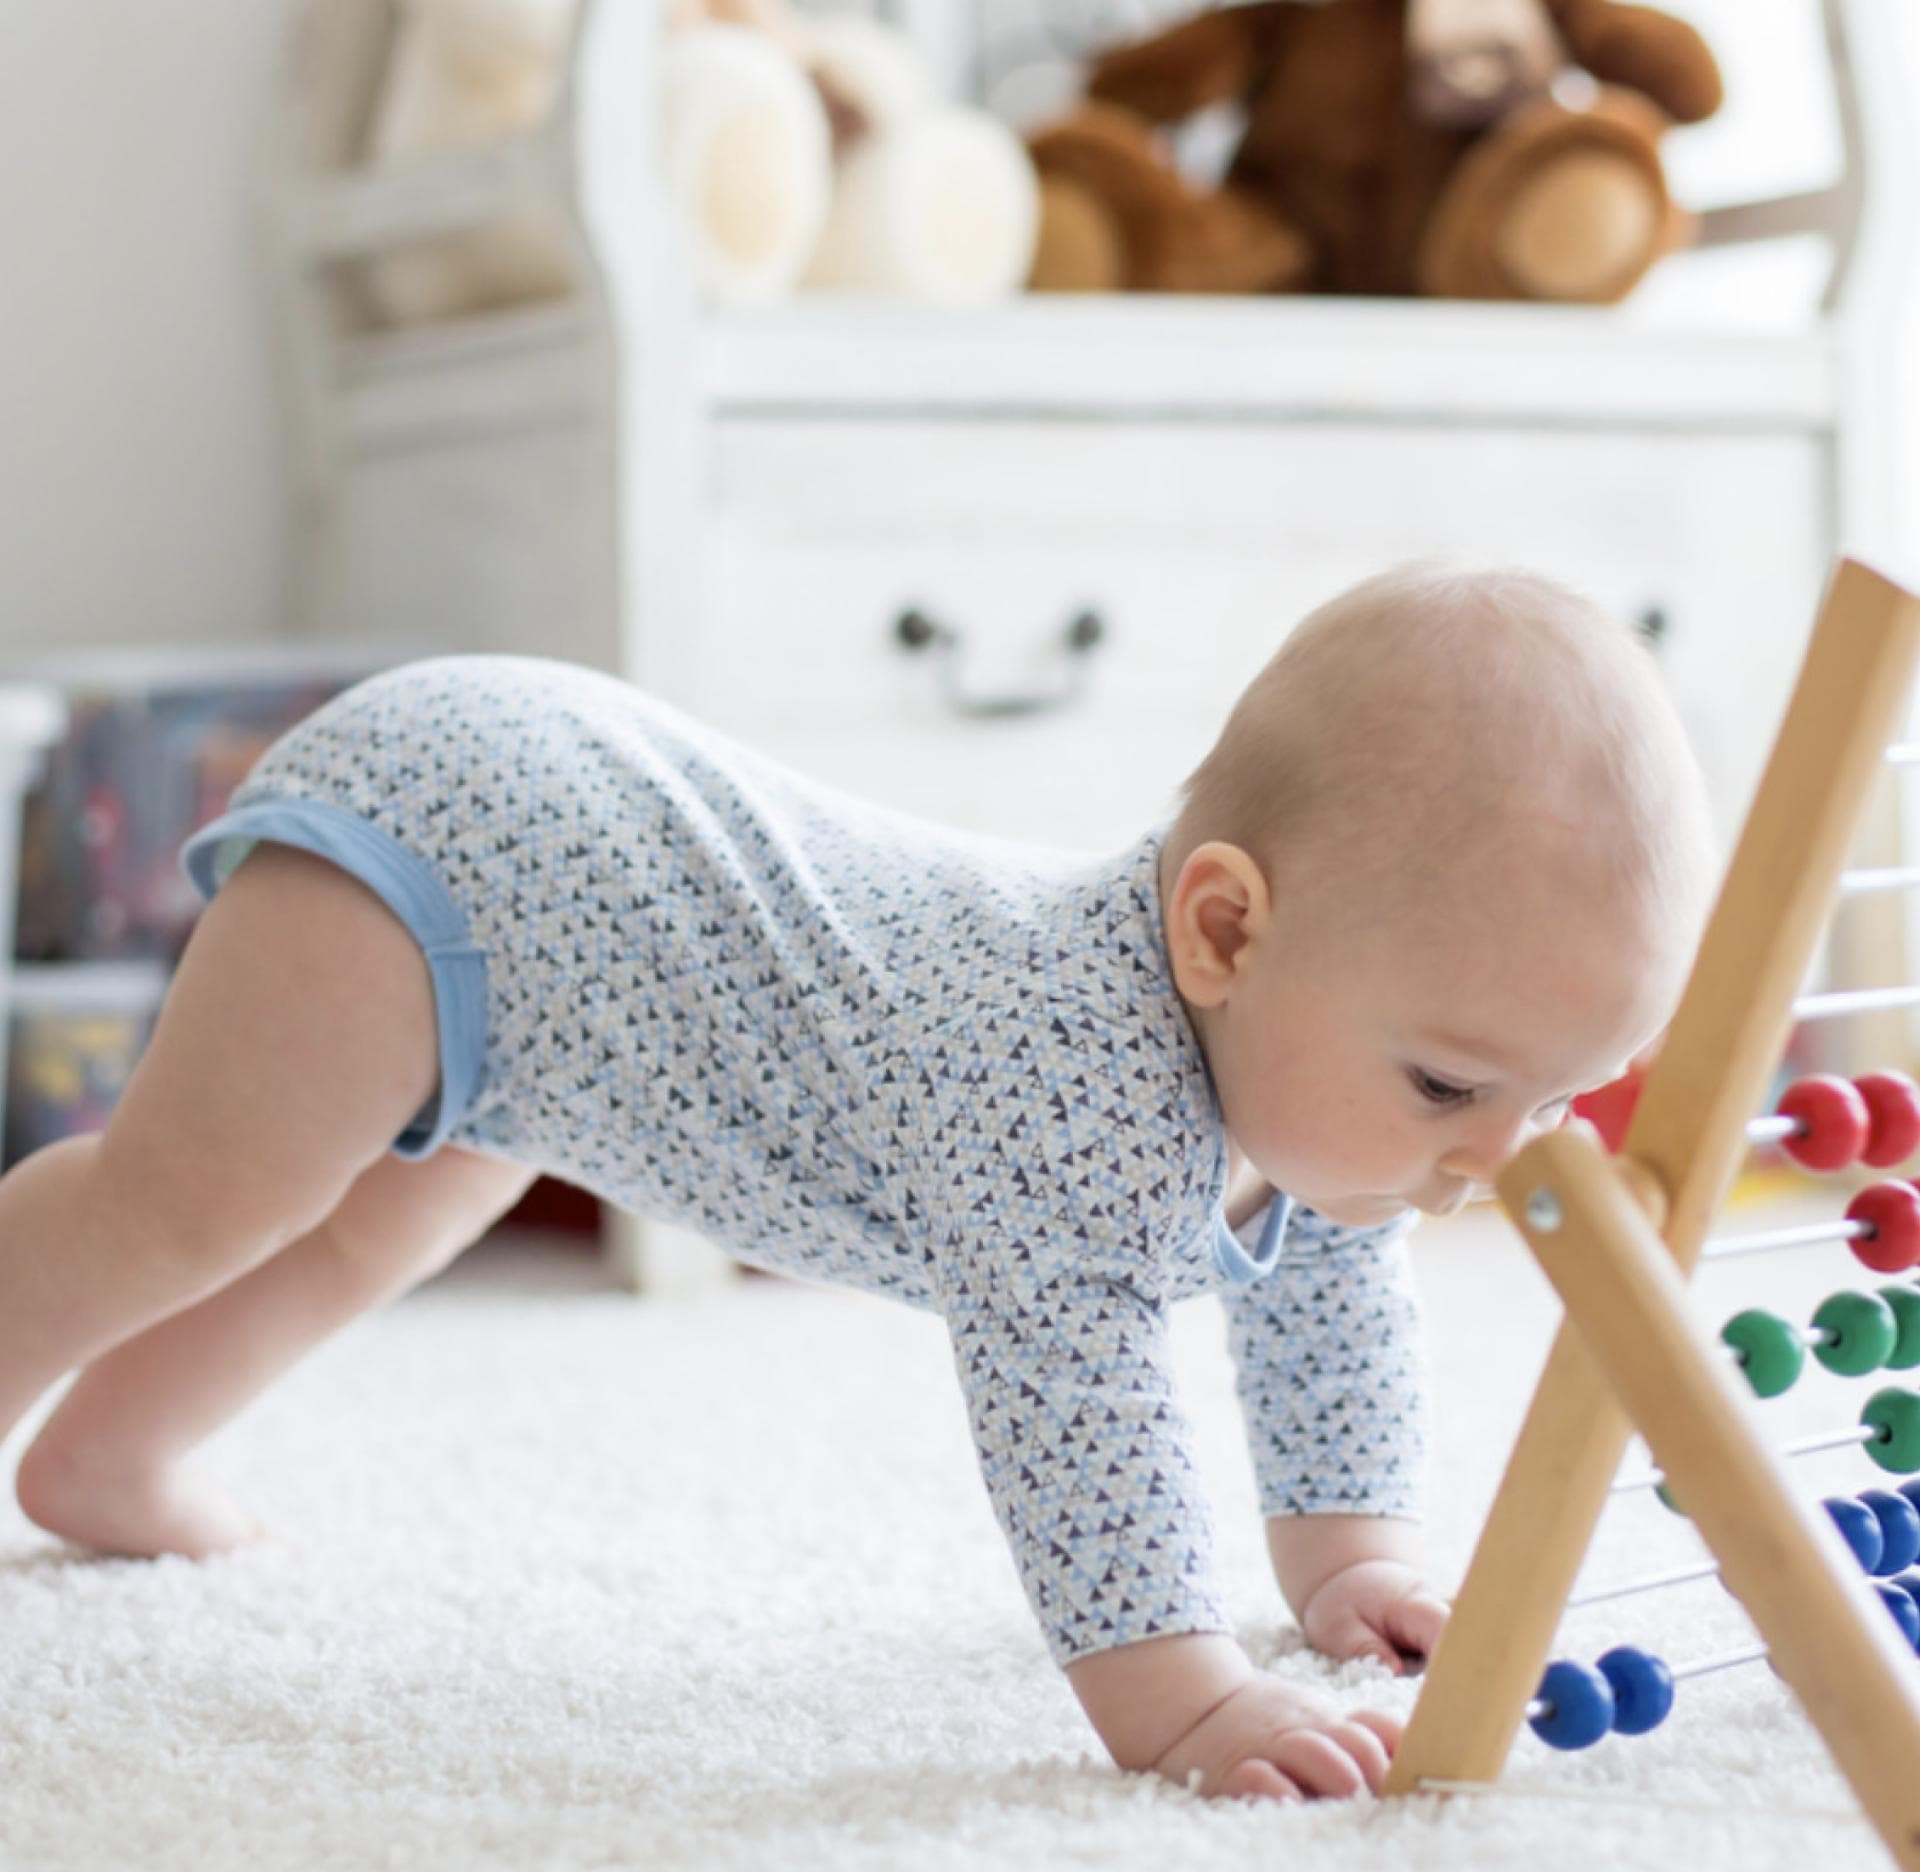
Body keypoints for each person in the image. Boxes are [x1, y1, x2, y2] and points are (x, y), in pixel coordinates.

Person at [0, 560, 1716, 1803]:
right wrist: (1187, 1700)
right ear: (1222, 930)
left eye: (1556, 1099)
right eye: (1452, 1087)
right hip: (452, 841)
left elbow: (1336, 1295)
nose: (1499, 1158)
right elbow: (1078, 1419)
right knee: (197, 1195)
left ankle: (115, 1453)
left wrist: (1351, 1565)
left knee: (382, 1221)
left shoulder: (1321, 1083)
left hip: (571, 946)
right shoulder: (1078, 1089)